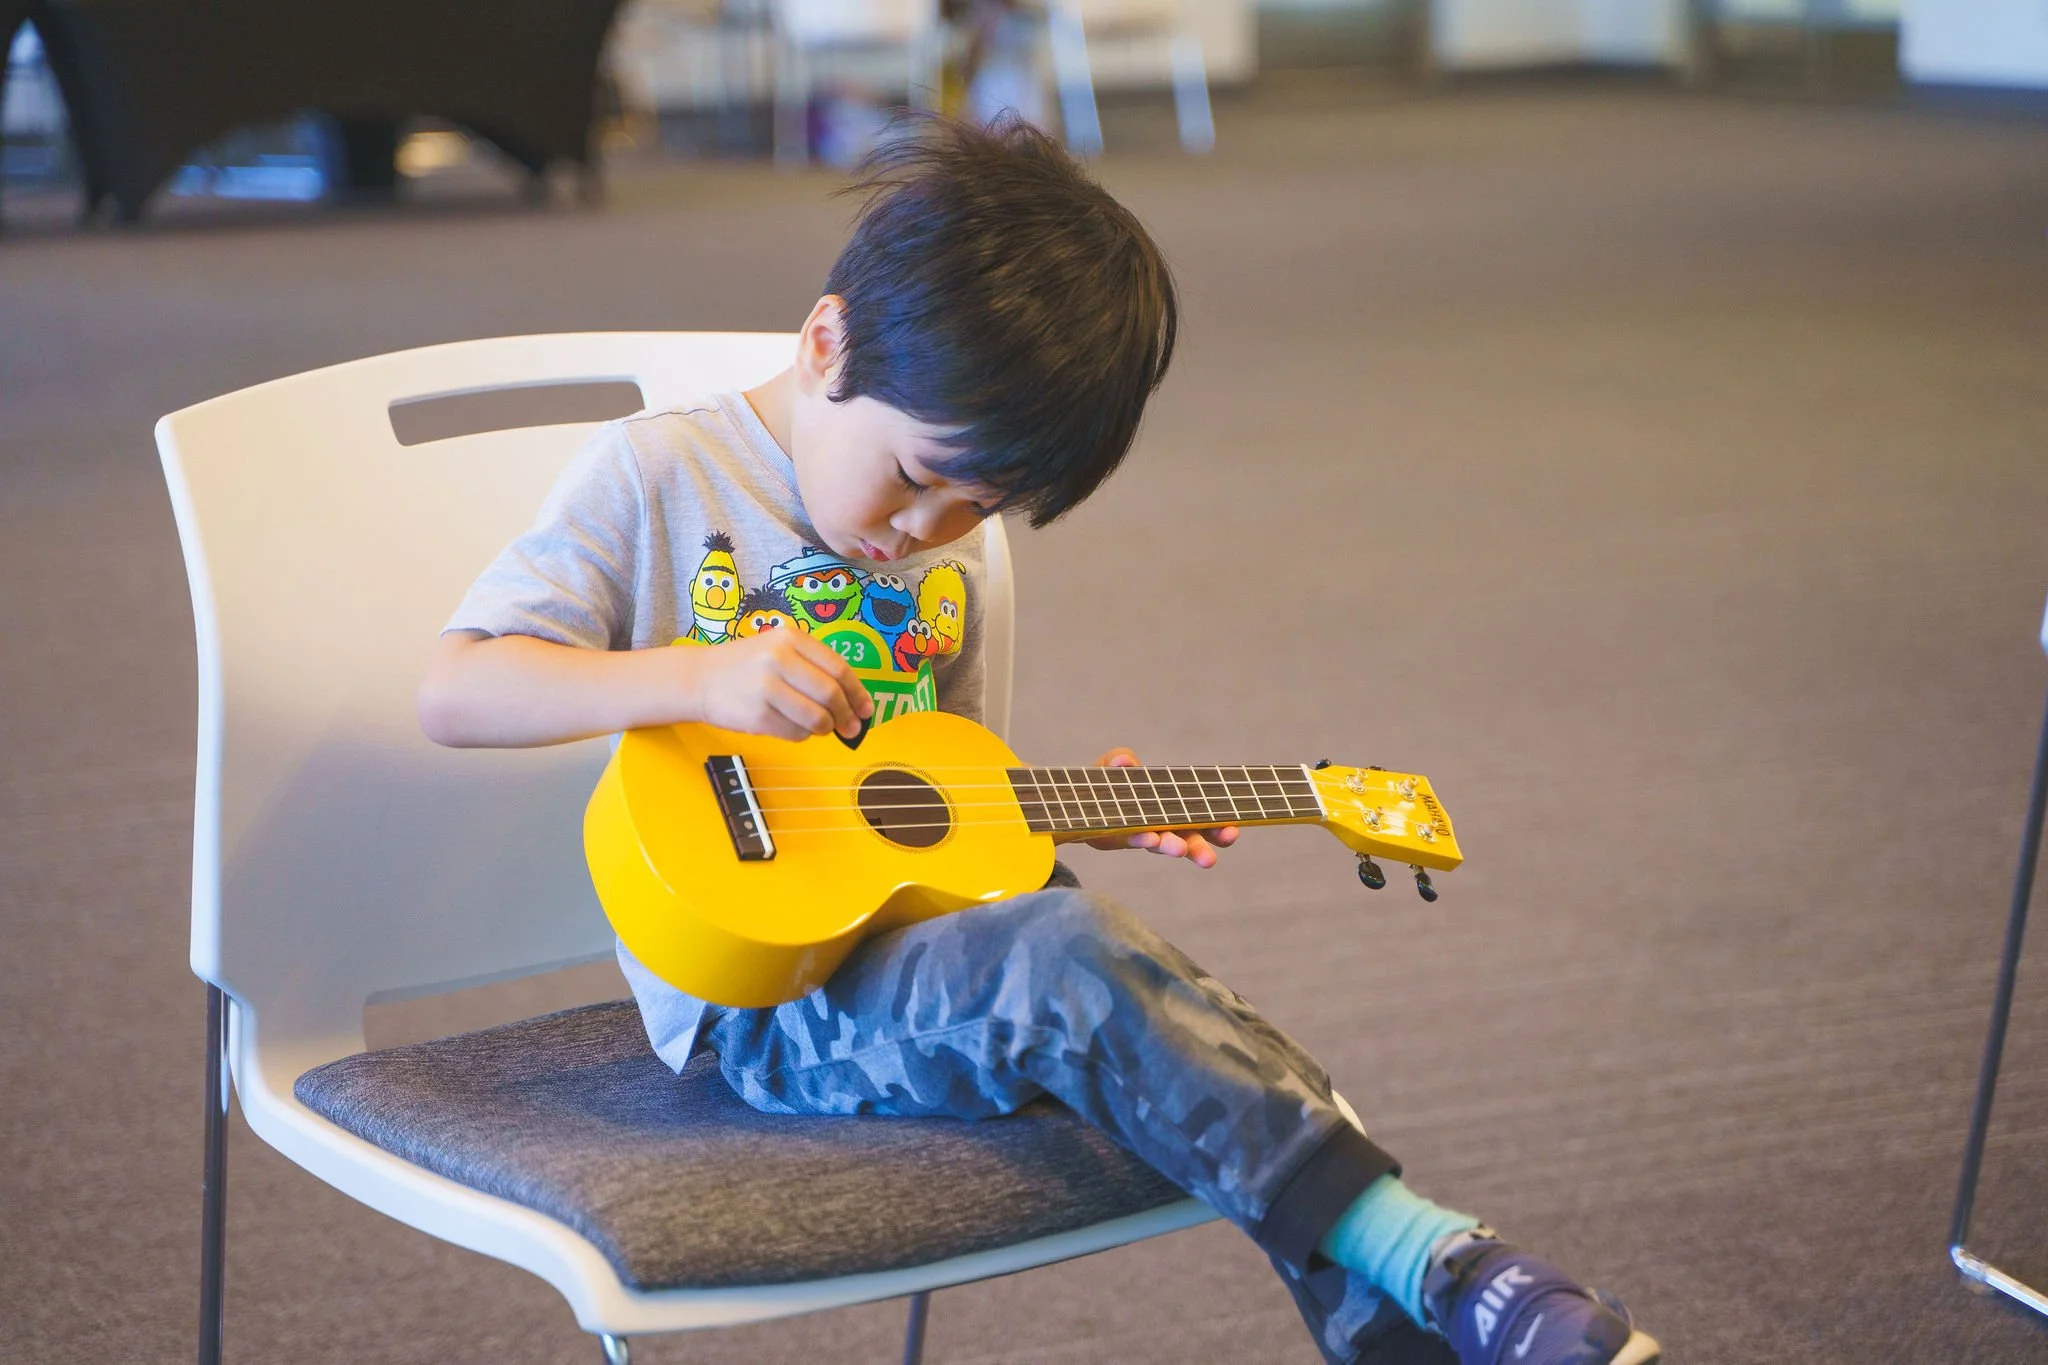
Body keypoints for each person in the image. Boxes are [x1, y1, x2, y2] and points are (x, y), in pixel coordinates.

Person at [416, 114, 1660, 1365]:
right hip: (764, 1001)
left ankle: (1387, 1306)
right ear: (825, 339)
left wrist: (1060, 808)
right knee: (1077, 964)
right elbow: (457, 692)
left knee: (1123, 969)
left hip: (915, 949)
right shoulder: (655, 480)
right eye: (913, 476)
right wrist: (695, 673)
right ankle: (1432, 1267)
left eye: (979, 505)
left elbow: (927, 799)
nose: (926, 529)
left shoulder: (953, 552)